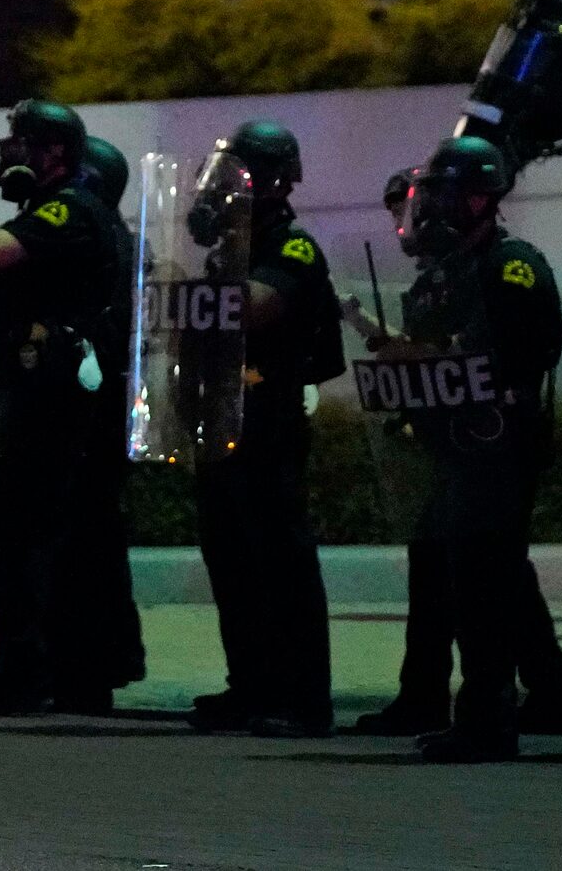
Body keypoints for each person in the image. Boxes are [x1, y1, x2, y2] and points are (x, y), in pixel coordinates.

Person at [353, 164, 562, 740]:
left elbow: (502, 354)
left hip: (499, 443)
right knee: (473, 573)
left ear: (481, 199)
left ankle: (487, 716)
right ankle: (534, 697)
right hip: (451, 447)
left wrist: (418, 360)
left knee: (486, 577)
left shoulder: (512, 265)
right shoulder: (447, 275)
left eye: (442, 195)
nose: (428, 207)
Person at [0, 99, 122, 717]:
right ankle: (56, 670)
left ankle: (25, 672)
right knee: (35, 532)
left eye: (19, 141)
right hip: (36, 390)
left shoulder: (70, 208)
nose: (8, 152)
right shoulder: (44, 213)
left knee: (26, 531)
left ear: (52, 152)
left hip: (52, 399)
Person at [187, 121, 342, 739]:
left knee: (281, 558)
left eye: (235, 178)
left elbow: (257, 304)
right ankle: (250, 685)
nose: (220, 190)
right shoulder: (232, 248)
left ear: (273, 182)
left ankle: (304, 700)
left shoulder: (291, 248)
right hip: (222, 417)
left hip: (269, 419)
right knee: (230, 554)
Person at [66, 134, 147, 699]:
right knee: (97, 526)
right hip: (109, 397)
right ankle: (109, 655)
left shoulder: (95, 241)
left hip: (89, 401)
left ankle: (90, 661)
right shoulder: (122, 240)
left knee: (83, 529)